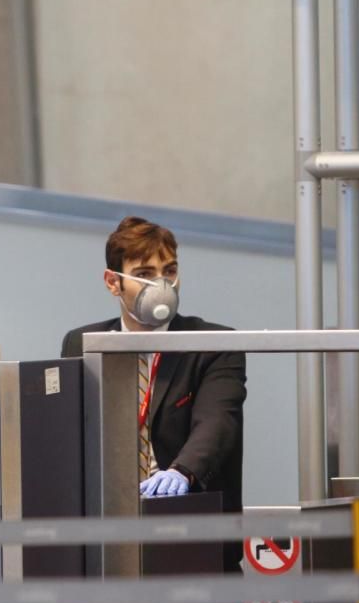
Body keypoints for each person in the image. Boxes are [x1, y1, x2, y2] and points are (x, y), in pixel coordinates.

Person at [61, 217, 247, 554]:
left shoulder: (212, 343)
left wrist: (182, 471)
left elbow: (218, 421)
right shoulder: (84, 344)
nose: (162, 284)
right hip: (110, 537)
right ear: (113, 282)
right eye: (145, 274)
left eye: (170, 271)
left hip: (194, 536)